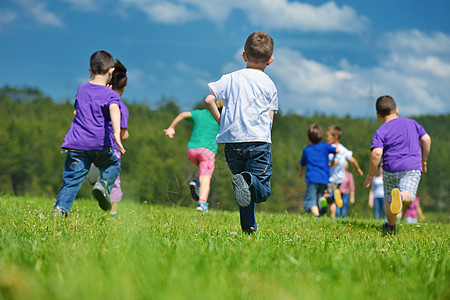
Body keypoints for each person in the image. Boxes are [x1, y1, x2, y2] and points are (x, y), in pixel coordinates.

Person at [205, 31, 278, 234]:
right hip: (258, 142)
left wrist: (221, 122)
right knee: (261, 192)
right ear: (270, 60)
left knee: (244, 192)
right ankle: (247, 182)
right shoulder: (269, 84)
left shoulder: (230, 78)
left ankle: (249, 231)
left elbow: (209, 100)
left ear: (244, 55)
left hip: (232, 143)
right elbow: (270, 116)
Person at [53, 50, 125, 216]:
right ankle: (103, 185)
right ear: (111, 71)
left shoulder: (81, 89)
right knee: (112, 165)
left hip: (77, 144)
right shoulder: (111, 94)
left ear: (90, 72)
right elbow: (114, 109)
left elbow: (79, 109)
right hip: (99, 144)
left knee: (71, 180)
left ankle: (60, 210)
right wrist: (116, 132)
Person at [363, 95, 431, 234]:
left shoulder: (380, 131)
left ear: (377, 115)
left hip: (390, 169)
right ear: (397, 110)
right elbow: (426, 139)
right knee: (408, 195)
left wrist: (371, 175)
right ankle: (400, 197)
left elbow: (376, 153)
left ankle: (391, 227)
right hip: (412, 167)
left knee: (388, 199)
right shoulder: (412, 123)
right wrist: (424, 159)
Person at [164, 101, 224, 213]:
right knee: (206, 179)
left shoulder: (200, 113)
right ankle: (202, 203)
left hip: (191, 150)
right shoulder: (221, 118)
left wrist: (171, 128)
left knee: (202, 170)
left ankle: (196, 181)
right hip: (207, 152)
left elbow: (183, 115)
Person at [324, 125, 364, 218]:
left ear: (335, 137)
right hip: (340, 178)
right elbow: (352, 160)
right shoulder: (343, 148)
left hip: (331, 178)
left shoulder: (330, 148)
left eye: (327, 136)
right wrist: (358, 168)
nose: (326, 138)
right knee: (329, 201)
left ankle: (333, 196)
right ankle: (332, 217)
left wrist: (328, 165)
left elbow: (331, 162)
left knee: (325, 197)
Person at [298, 124, 337, 217]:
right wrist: (333, 159)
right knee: (319, 195)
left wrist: (300, 173)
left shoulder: (307, 150)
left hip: (312, 178)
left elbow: (301, 164)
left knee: (309, 201)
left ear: (308, 138)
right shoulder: (325, 146)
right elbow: (336, 150)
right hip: (324, 178)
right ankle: (323, 199)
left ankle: (317, 216)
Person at [107, 59, 130, 215]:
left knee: (92, 175)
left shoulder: (101, 100)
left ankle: (93, 180)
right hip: (113, 148)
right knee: (114, 181)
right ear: (124, 87)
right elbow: (122, 134)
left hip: (95, 145)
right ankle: (113, 211)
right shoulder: (122, 107)